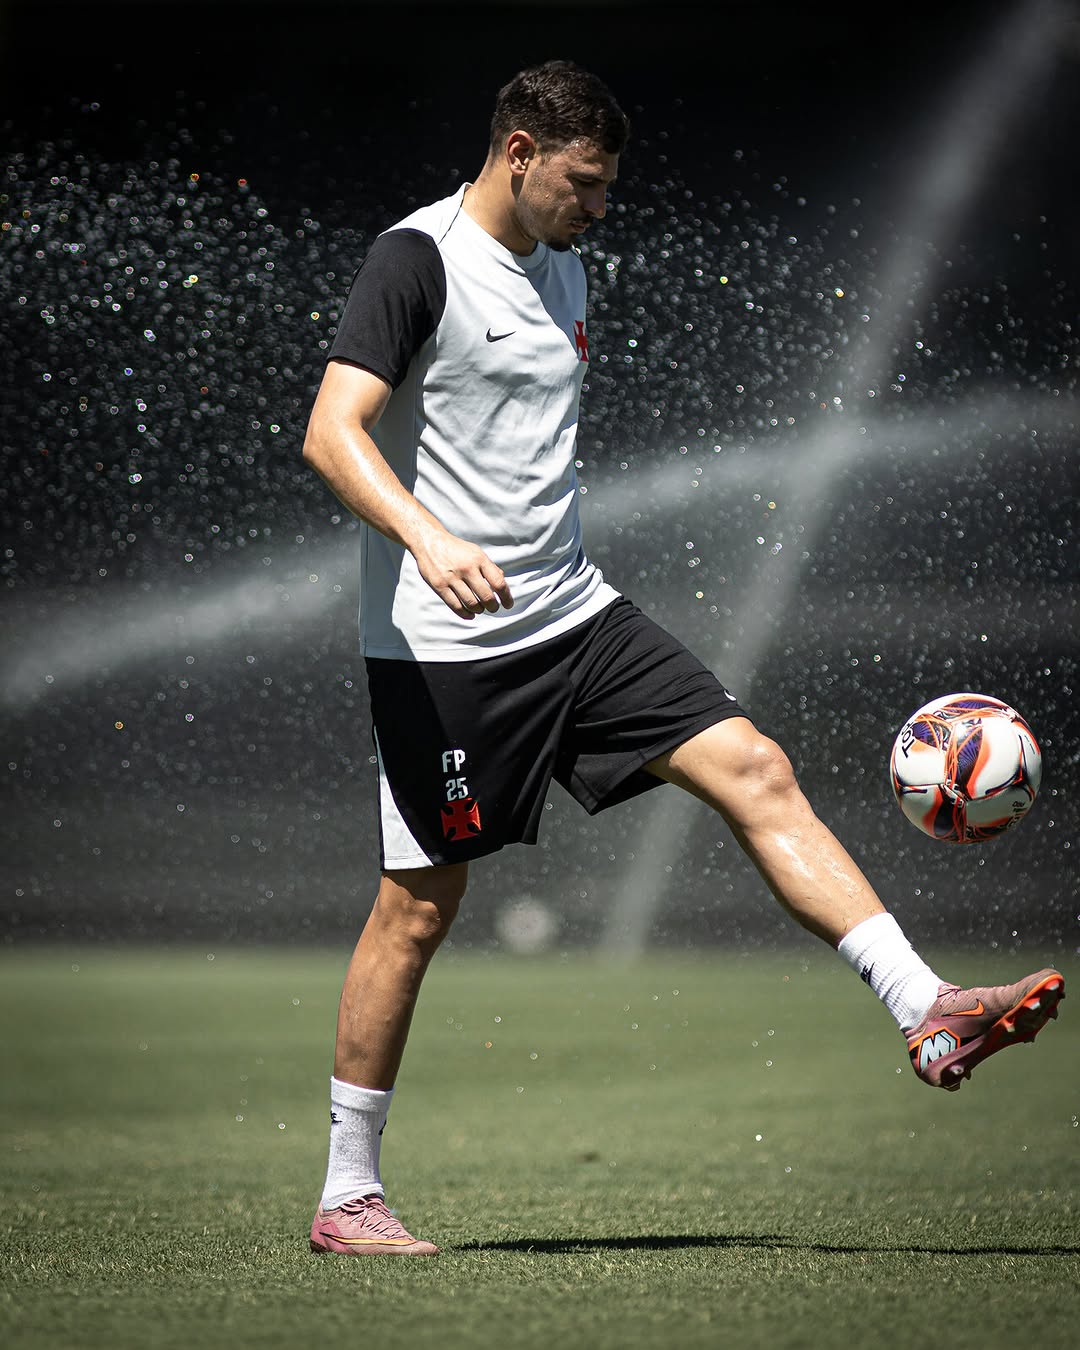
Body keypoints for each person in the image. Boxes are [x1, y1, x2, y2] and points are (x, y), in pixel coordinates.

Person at [300, 59, 1064, 1258]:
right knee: (418, 908)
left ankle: (929, 1009)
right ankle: (348, 1195)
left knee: (756, 766)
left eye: (608, 187)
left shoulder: (566, 264)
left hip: (575, 615)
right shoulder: (416, 259)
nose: (599, 207)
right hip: (443, 650)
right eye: (584, 183)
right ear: (517, 153)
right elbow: (331, 433)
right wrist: (429, 537)